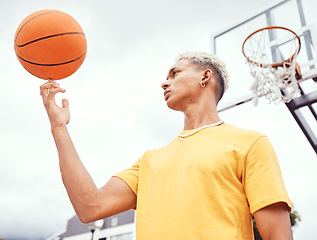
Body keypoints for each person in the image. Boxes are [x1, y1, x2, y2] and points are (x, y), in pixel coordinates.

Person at [40, 52, 293, 240]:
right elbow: (90, 206)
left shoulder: (249, 144)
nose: (165, 82)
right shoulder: (150, 160)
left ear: (205, 76)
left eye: (175, 73)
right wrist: (58, 127)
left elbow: (277, 235)